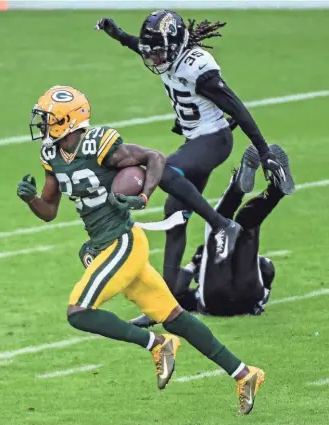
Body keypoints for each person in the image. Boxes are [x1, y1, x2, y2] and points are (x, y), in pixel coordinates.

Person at [17, 85, 265, 415]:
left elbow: (154, 158)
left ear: (66, 119)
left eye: (48, 118)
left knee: (79, 311)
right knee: (175, 317)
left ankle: (156, 343)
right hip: (105, 243)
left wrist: (145, 195)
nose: (43, 124)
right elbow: (49, 210)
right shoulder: (51, 156)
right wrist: (32, 199)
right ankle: (245, 373)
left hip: (123, 241)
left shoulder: (99, 143)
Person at [95, 11, 290, 323]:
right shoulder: (168, 57)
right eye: (151, 52)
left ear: (175, 47)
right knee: (174, 219)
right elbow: (143, 47)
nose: (154, 58)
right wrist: (120, 36)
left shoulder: (198, 69)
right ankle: (164, 307)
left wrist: (264, 150)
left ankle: (222, 224)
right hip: (195, 141)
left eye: (158, 51)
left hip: (213, 141)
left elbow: (237, 107)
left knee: (164, 171)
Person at [172, 144, 294, 318]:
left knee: (240, 223)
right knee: (230, 222)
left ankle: (264, 189)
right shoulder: (197, 293)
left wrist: (193, 264)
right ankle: (265, 189)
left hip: (236, 297)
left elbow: (177, 292)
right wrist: (193, 265)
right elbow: (267, 267)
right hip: (246, 293)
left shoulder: (194, 299)